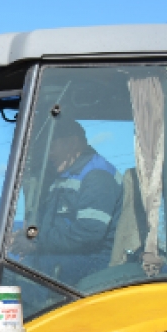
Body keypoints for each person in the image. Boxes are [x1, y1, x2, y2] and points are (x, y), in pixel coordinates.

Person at [29, 117, 122, 285]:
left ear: (73, 143)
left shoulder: (98, 176)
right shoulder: (64, 176)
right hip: (72, 256)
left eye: (52, 146)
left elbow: (88, 234)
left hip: (97, 261)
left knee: (19, 273)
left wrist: (36, 243)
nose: (48, 154)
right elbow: (51, 224)